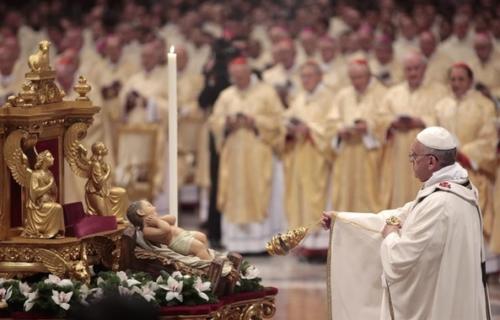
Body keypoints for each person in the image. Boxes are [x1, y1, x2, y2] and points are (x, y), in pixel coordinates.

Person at [322, 126, 489, 320]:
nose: (411, 162)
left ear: (431, 162)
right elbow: (404, 214)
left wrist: (391, 235)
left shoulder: (439, 203)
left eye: (413, 157)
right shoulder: (460, 188)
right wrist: (342, 219)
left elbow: (399, 260)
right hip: (453, 292)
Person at [208, 57, 284, 253]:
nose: (238, 80)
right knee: (234, 194)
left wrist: (255, 121)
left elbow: (278, 121)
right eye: (235, 76)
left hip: (258, 154)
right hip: (233, 155)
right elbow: (214, 121)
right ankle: (234, 242)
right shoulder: (226, 95)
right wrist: (227, 123)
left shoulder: (266, 93)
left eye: (242, 76)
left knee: (258, 192)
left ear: (250, 73)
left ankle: (260, 243)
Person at [435, 63, 497, 252]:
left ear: (470, 80)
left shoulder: (484, 105)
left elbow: (489, 139)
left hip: (472, 170)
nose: (456, 83)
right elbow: (434, 133)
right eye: (452, 79)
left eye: (461, 79)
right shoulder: (441, 106)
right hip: (445, 172)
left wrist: (464, 153)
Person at [378, 51, 447, 208]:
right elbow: (380, 119)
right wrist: (392, 122)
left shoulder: (439, 91)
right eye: (409, 69)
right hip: (399, 152)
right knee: (399, 191)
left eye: (416, 68)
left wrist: (421, 121)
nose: (413, 73)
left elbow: (443, 119)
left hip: (427, 153)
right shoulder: (393, 93)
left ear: (424, 68)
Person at [328, 59, 387, 212]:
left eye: (359, 77)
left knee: (369, 192)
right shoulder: (343, 95)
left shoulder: (382, 93)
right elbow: (332, 120)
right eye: (352, 78)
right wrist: (340, 129)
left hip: (370, 153)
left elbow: (386, 119)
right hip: (347, 152)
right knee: (346, 192)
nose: (356, 82)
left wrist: (368, 127)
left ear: (369, 76)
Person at [126, 200, 212, 260]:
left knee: (202, 237)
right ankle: (208, 265)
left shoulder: (156, 221)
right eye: (149, 206)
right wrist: (158, 221)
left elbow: (173, 219)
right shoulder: (147, 230)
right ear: (141, 212)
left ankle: (202, 256)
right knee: (199, 248)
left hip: (184, 235)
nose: (154, 207)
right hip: (177, 242)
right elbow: (165, 230)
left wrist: (159, 219)